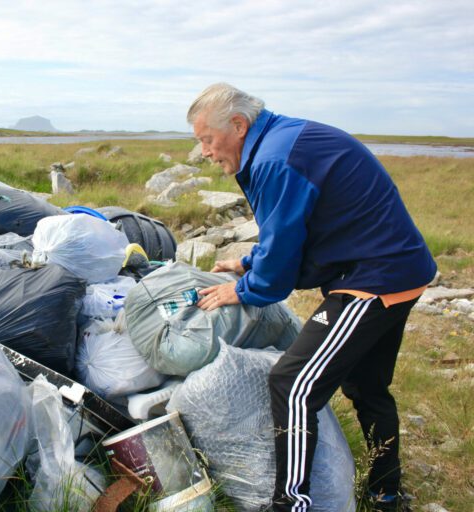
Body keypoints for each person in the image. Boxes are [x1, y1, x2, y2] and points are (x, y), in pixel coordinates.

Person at [187, 83, 436, 511]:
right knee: (367, 386)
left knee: (293, 384)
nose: (205, 152)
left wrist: (244, 288)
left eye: (207, 140)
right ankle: (386, 494)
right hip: (397, 269)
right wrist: (248, 263)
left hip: (373, 278)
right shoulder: (281, 140)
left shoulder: (274, 159)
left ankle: (292, 503)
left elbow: (279, 267)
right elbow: (294, 229)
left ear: (239, 125)